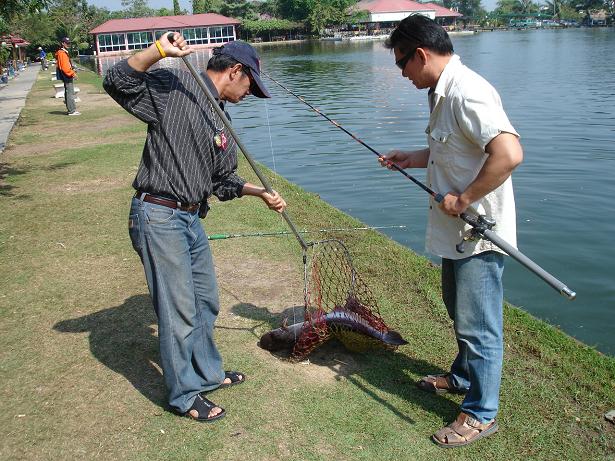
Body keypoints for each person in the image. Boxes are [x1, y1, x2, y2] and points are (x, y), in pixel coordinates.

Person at [103, 33, 287, 422]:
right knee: (179, 309)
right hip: (158, 215)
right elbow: (118, 81)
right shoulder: (176, 84)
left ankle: (207, 373)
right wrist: (157, 52)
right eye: (250, 84)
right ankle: (184, 394)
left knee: (205, 300)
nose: (250, 94)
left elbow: (223, 181)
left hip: (189, 217)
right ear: (235, 71)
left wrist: (261, 192)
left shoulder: (220, 115)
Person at [380, 15, 523, 447]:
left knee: (479, 324)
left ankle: (481, 413)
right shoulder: (441, 93)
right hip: (453, 233)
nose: (402, 73)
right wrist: (413, 157)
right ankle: (462, 377)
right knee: (457, 308)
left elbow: (509, 153)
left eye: (403, 63)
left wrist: (462, 201)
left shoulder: (467, 92)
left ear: (421, 54)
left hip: (477, 234)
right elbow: (454, 150)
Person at [55, 37, 79, 116]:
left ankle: (71, 109)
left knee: (69, 92)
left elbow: (66, 65)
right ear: (62, 43)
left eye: (69, 43)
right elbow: (65, 68)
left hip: (67, 74)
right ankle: (71, 110)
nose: (68, 44)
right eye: (67, 43)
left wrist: (72, 69)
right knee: (70, 93)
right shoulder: (62, 53)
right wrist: (73, 73)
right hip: (67, 75)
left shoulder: (63, 52)